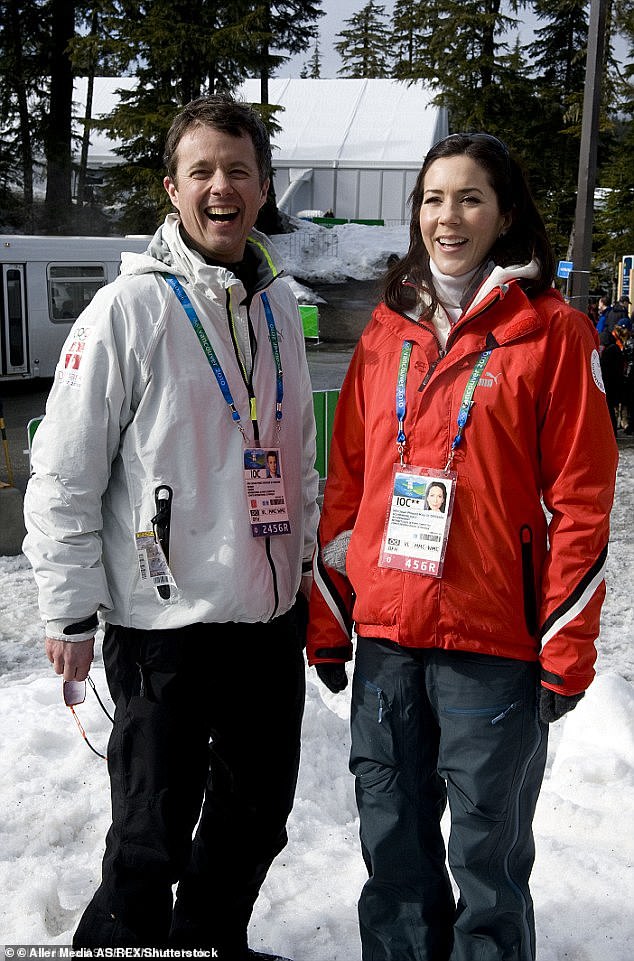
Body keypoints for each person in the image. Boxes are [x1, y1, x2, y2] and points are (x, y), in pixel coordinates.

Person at [307, 132, 618, 961]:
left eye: (470, 197)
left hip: (493, 644)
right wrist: (331, 616)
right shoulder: (384, 330)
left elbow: (583, 500)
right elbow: (348, 482)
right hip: (387, 640)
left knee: (487, 862)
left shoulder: (555, 334)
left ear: (506, 213)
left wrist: (566, 645)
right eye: (434, 197)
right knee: (394, 849)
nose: (449, 215)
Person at [23, 94, 319, 960]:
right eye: (202, 172)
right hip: (165, 630)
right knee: (151, 831)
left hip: (267, 622)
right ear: (172, 188)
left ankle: (205, 944)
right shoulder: (128, 311)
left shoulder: (278, 310)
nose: (221, 187)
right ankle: (120, 950)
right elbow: (64, 474)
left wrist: (303, 569)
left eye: (238, 170)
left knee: (257, 815)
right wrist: (69, 610)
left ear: (263, 188)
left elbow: (295, 457)